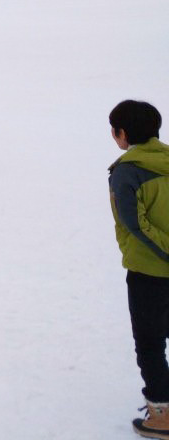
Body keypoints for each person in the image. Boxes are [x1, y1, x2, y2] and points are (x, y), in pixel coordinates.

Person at [108, 100, 169, 436]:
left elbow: (136, 225)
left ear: (123, 134)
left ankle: (162, 415)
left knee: (150, 342)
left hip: (149, 272)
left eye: (114, 131)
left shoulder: (126, 172)